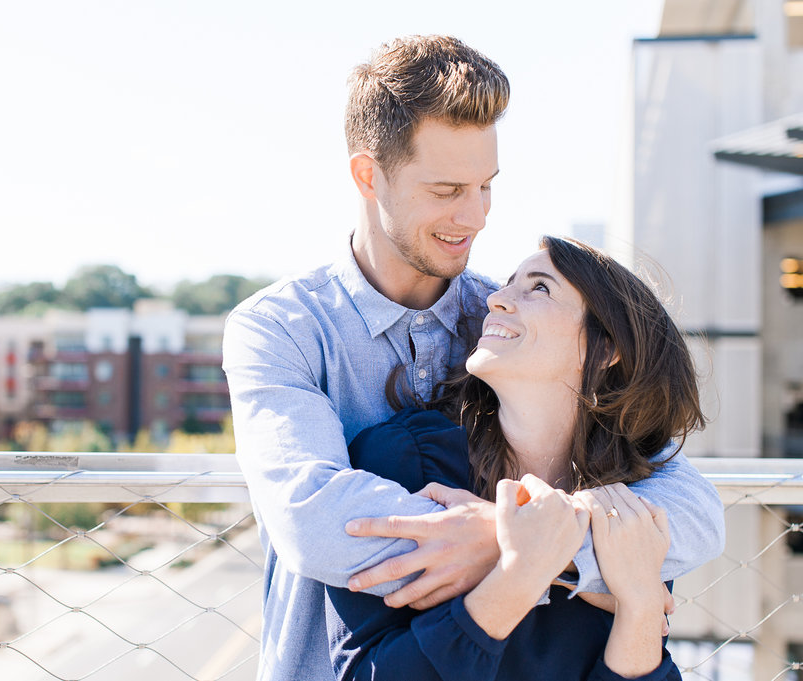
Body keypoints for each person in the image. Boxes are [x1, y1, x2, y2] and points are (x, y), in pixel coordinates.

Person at [221, 35, 725, 681]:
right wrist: (529, 549)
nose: (476, 215)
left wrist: (518, 541)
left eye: (486, 185)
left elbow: (690, 510)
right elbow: (311, 520)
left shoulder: (505, 318)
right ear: (368, 175)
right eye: (448, 188)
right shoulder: (279, 329)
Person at [327, 236, 707, 680]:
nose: (496, 299)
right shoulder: (405, 460)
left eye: (539, 288)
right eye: (508, 284)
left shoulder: (628, 499)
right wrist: (520, 571)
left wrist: (641, 607)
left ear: (607, 348)